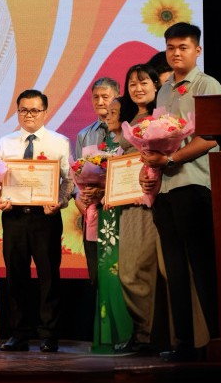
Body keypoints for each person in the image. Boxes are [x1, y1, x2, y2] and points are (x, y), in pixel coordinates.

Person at [139, 22, 221, 362]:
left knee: (202, 267)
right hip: (167, 188)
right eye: (171, 47)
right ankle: (184, 342)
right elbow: (158, 137)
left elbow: (212, 137)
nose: (176, 53)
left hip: (194, 185)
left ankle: (217, 341)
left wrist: (171, 158)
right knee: (173, 268)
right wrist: (149, 165)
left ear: (197, 50)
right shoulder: (163, 91)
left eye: (183, 47)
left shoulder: (207, 85)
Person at [0, 89, 73, 353]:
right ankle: (19, 334)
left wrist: (60, 201)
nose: (29, 115)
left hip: (45, 218)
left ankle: (49, 334)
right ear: (17, 112)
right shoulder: (5, 143)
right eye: (23, 110)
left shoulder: (59, 142)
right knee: (15, 276)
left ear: (45, 112)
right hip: (14, 217)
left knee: (48, 276)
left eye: (35, 110)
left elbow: (69, 180)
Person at [115, 64, 163, 354]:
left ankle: (151, 335)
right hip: (129, 202)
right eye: (132, 84)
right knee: (130, 270)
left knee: (144, 269)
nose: (137, 88)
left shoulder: (163, 117)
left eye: (143, 82)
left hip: (152, 202)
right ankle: (143, 332)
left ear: (156, 85)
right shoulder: (129, 118)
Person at [86, 98, 133, 352]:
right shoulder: (106, 146)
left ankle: (126, 332)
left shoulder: (132, 144)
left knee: (122, 271)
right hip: (107, 215)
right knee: (106, 272)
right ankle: (108, 334)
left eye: (114, 112)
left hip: (126, 213)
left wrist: (106, 189)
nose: (108, 115)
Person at [73, 77, 121, 288]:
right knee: (96, 272)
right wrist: (81, 199)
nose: (100, 102)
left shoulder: (125, 131)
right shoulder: (84, 135)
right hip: (92, 212)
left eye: (105, 97)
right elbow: (77, 174)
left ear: (117, 97)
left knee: (119, 269)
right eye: (95, 97)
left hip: (118, 209)